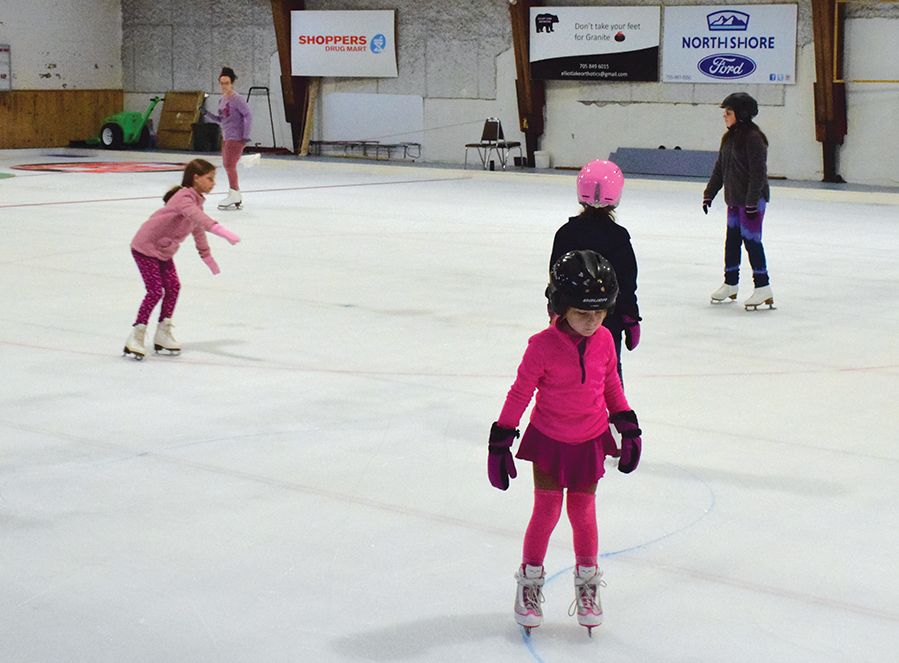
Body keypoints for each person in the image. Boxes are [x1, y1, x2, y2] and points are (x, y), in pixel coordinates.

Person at [487, 250, 643, 635]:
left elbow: (610, 385)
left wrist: (628, 425)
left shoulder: (605, 340)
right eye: (582, 313)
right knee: (546, 511)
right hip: (550, 440)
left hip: (589, 439)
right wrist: (501, 439)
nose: (592, 322)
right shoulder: (541, 346)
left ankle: (588, 584)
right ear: (560, 306)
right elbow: (520, 392)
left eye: (599, 313)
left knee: (583, 513)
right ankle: (530, 582)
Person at [123, 159, 241, 360]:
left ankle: (163, 333)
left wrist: (207, 256)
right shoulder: (184, 199)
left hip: (162, 252)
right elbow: (201, 220)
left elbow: (198, 230)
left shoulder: (195, 202)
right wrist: (223, 232)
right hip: (145, 248)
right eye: (209, 179)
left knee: (173, 287)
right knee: (155, 291)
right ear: (196, 178)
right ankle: (136, 335)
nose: (213, 183)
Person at [549, 159, 640, 380]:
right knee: (609, 373)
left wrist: (554, 310)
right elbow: (626, 283)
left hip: (570, 319)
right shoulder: (618, 236)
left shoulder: (566, 233)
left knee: (570, 372)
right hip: (607, 321)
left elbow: (555, 276)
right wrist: (630, 317)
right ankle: (613, 413)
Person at [703, 92, 774, 310]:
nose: (725, 116)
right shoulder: (729, 138)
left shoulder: (753, 138)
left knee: (752, 242)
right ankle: (730, 283)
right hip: (734, 200)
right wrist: (709, 192)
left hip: (752, 201)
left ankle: (763, 287)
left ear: (741, 114)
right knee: (732, 241)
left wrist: (752, 201)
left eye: (729, 112)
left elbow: (758, 173)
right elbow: (720, 168)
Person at [202, 66, 253, 211]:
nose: (224, 86)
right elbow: (221, 119)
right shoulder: (222, 100)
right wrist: (206, 114)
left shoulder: (237, 99)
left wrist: (245, 136)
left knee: (229, 165)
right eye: (222, 83)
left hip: (236, 137)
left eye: (227, 83)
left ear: (232, 83)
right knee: (228, 165)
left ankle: (234, 193)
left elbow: (248, 115)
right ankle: (234, 192)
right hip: (226, 137)